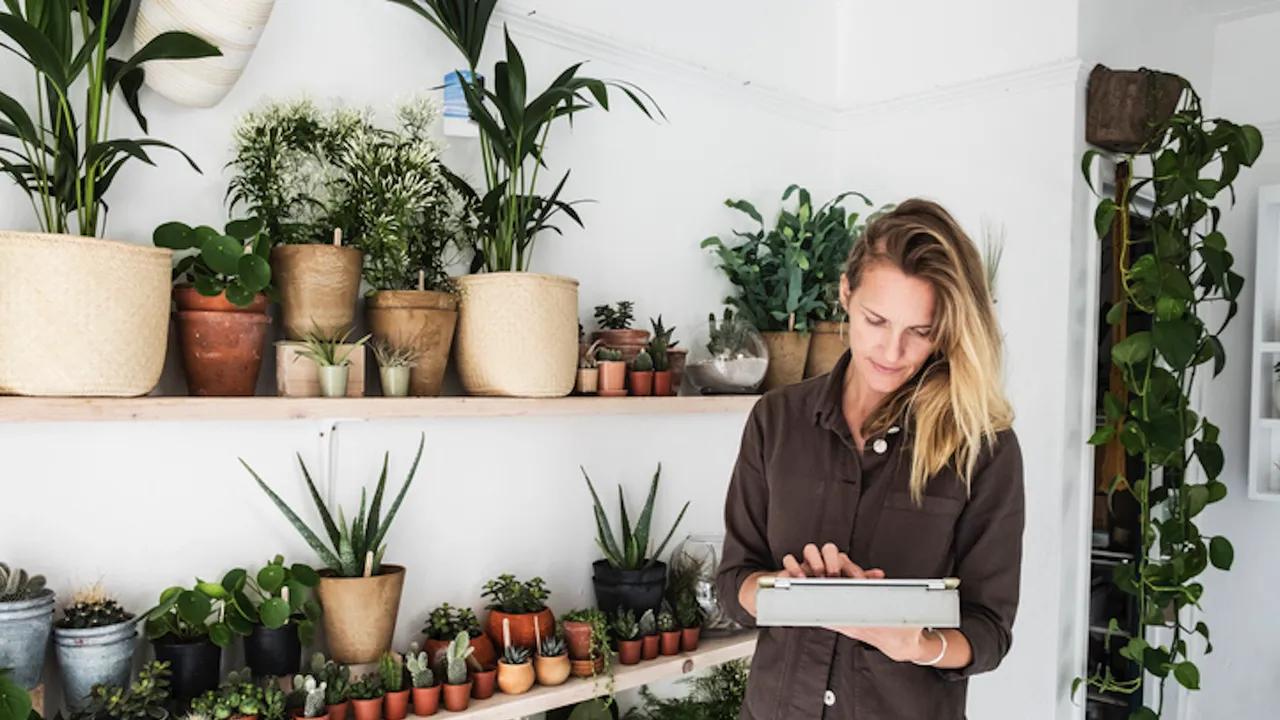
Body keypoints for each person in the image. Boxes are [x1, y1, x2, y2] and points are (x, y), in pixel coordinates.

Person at [716, 198, 1025, 719]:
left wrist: (917, 643)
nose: (891, 350)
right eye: (876, 320)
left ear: (945, 331)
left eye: (920, 331)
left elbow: (989, 630)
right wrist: (784, 592)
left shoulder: (982, 447)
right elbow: (732, 583)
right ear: (845, 293)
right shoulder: (776, 420)